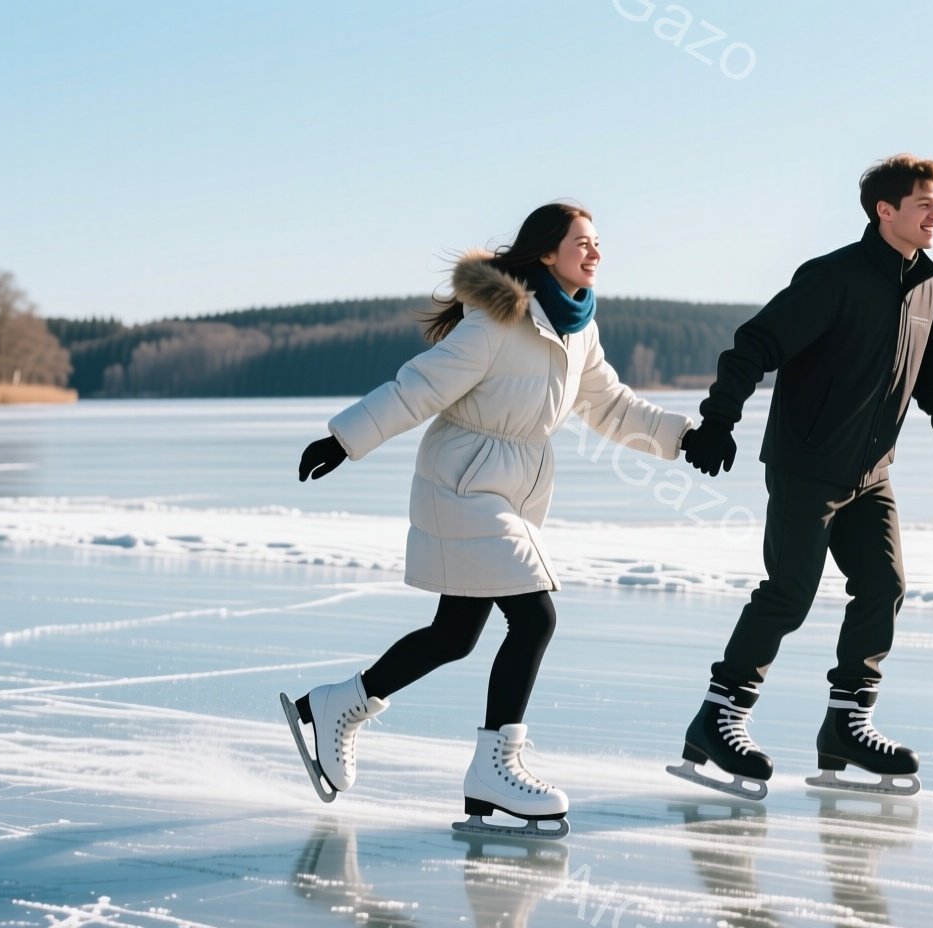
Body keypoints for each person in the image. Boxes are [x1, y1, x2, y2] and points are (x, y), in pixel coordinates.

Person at [282, 202, 692, 838]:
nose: (595, 253)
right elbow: (418, 386)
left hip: (512, 489)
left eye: (597, 242)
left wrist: (681, 437)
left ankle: (341, 703)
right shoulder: (498, 320)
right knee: (535, 614)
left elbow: (609, 403)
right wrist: (344, 439)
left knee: (455, 634)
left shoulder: (579, 327)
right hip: (462, 482)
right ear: (546, 253)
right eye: (581, 243)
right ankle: (496, 769)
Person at [669, 155, 933, 799]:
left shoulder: (926, 288)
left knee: (884, 586)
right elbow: (753, 344)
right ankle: (718, 717)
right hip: (808, 465)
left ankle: (847, 724)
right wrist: (719, 420)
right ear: (884, 210)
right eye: (924, 203)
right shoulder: (833, 278)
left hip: (871, 472)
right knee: (789, 593)